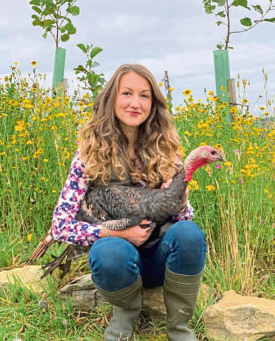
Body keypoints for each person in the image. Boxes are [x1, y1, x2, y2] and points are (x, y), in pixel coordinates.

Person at [51, 64, 207, 341]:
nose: (135, 103)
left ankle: (179, 327)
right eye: (127, 93)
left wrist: (181, 201)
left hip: (159, 257)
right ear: (112, 99)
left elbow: (184, 221)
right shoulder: (88, 155)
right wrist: (115, 232)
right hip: (118, 262)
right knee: (110, 251)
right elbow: (60, 226)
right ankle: (125, 314)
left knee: (191, 234)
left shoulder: (167, 153)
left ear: (153, 104)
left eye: (144, 95)